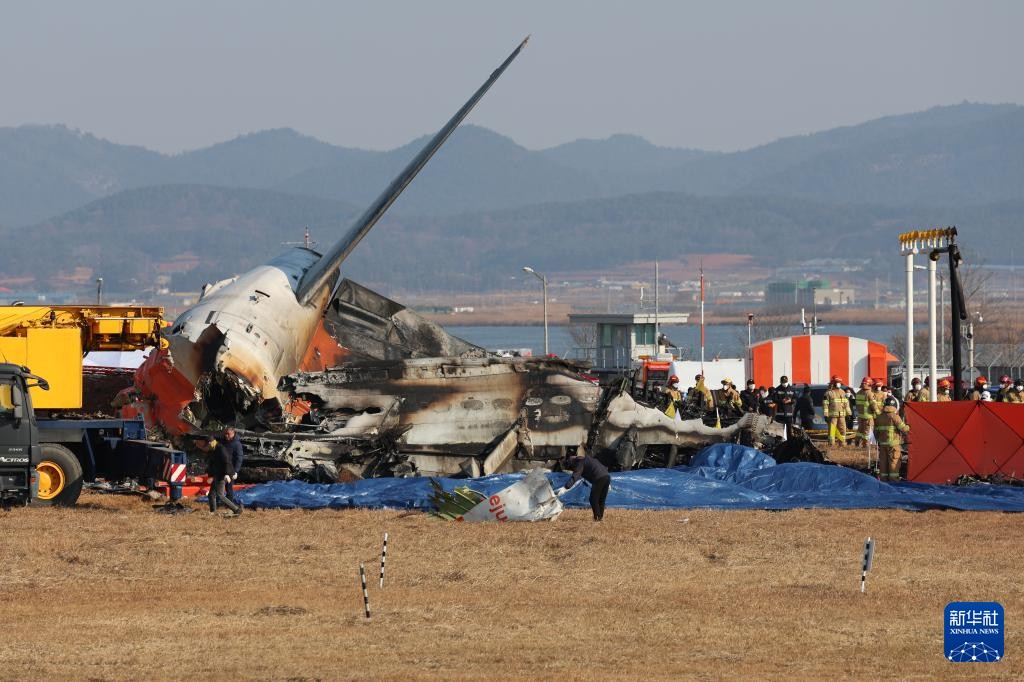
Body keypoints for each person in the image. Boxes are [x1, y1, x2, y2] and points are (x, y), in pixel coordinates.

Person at [557, 454, 611, 521]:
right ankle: (600, 517)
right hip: (607, 476)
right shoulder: (589, 459)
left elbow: (575, 476)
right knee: (601, 499)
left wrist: (566, 487)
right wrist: (608, 482)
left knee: (593, 499)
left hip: (598, 478)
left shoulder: (580, 463)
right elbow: (602, 467)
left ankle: (597, 517)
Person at [198, 436, 242, 516]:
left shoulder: (221, 448)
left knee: (220, 495)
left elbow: (227, 461)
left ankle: (236, 509)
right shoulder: (213, 449)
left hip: (223, 474)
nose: (207, 447)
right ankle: (213, 512)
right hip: (217, 474)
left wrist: (227, 474)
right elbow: (212, 464)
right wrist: (210, 475)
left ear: (210, 443)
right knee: (211, 495)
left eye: (207, 445)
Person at [874, 396, 910, 481]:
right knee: (894, 463)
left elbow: (876, 432)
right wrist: (909, 426)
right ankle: (893, 482)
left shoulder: (879, 417)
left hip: (883, 445)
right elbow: (904, 429)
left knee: (884, 464)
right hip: (893, 446)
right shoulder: (895, 416)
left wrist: (879, 441)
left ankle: (883, 481)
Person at [853, 377, 879, 448]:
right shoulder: (869, 393)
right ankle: (866, 446)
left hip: (860, 416)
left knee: (860, 431)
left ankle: (857, 443)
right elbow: (873, 405)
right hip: (868, 416)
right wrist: (878, 413)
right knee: (867, 432)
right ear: (869, 384)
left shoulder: (858, 393)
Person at [823, 375, 849, 445]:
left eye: (840, 383)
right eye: (838, 383)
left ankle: (842, 444)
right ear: (834, 383)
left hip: (842, 416)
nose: (839, 384)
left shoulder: (843, 392)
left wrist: (849, 413)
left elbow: (846, 404)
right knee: (832, 431)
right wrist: (826, 415)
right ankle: (831, 445)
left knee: (843, 430)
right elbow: (825, 405)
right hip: (832, 417)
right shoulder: (828, 393)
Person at [222, 426, 245, 502]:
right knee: (220, 486)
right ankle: (221, 501)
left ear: (233, 433)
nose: (226, 435)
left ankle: (230, 503)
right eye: (225, 434)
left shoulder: (237, 444)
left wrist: (236, 471)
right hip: (223, 467)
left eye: (228, 434)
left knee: (229, 487)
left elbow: (239, 458)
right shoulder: (224, 442)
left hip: (231, 469)